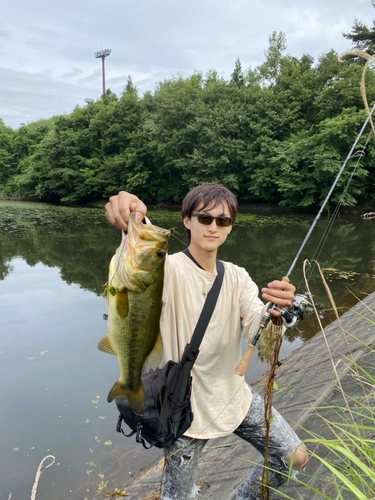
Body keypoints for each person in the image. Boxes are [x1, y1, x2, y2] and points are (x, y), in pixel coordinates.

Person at [105, 183, 308, 500]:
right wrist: (130, 215)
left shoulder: (237, 276)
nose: (213, 226)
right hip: (183, 410)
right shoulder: (165, 268)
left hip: (233, 396)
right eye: (204, 218)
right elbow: (133, 269)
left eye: (223, 221)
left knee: (293, 458)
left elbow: (258, 327)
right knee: (177, 497)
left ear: (229, 228)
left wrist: (279, 314)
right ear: (187, 220)